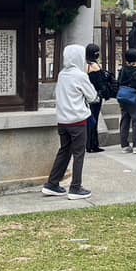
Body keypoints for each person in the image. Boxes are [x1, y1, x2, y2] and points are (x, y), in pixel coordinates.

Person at [42, 44, 98, 199]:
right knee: (79, 154)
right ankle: (75, 187)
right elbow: (92, 96)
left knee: (64, 151)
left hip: (62, 120)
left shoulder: (62, 74)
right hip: (78, 120)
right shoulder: (80, 76)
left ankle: (52, 184)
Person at [117, 48, 136, 153]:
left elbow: (119, 81)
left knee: (125, 120)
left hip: (123, 96)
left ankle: (124, 145)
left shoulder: (123, 69)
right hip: (135, 96)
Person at [84, 43, 106, 153]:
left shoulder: (84, 65)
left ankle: (89, 144)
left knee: (89, 120)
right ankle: (93, 144)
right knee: (94, 120)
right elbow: (100, 82)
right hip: (95, 96)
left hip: (86, 96)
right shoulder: (95, 66)